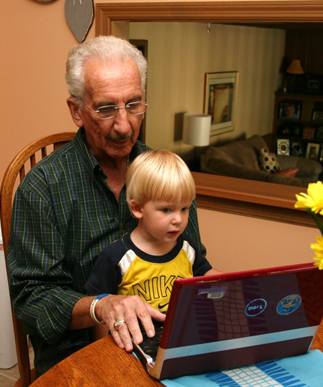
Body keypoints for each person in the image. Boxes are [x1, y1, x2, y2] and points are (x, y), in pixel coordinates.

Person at [7, 36, 207, 374]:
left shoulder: (167, 177)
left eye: (134, 105)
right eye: (106, 108)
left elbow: (193, 260)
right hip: (77, 356)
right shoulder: (43, 189)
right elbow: (32, 300)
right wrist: (100, 306)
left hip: (163, 345)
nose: (124, 125)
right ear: (76, 111)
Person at [86, 149, 221, 340]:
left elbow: (206, 274)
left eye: (184, 208)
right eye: (166, 209)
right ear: (137, 208)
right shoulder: (116, 257)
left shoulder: (186, 247)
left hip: (182, 335)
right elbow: (102, 313)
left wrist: (236, 284)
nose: (178, 219)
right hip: (136, 343)